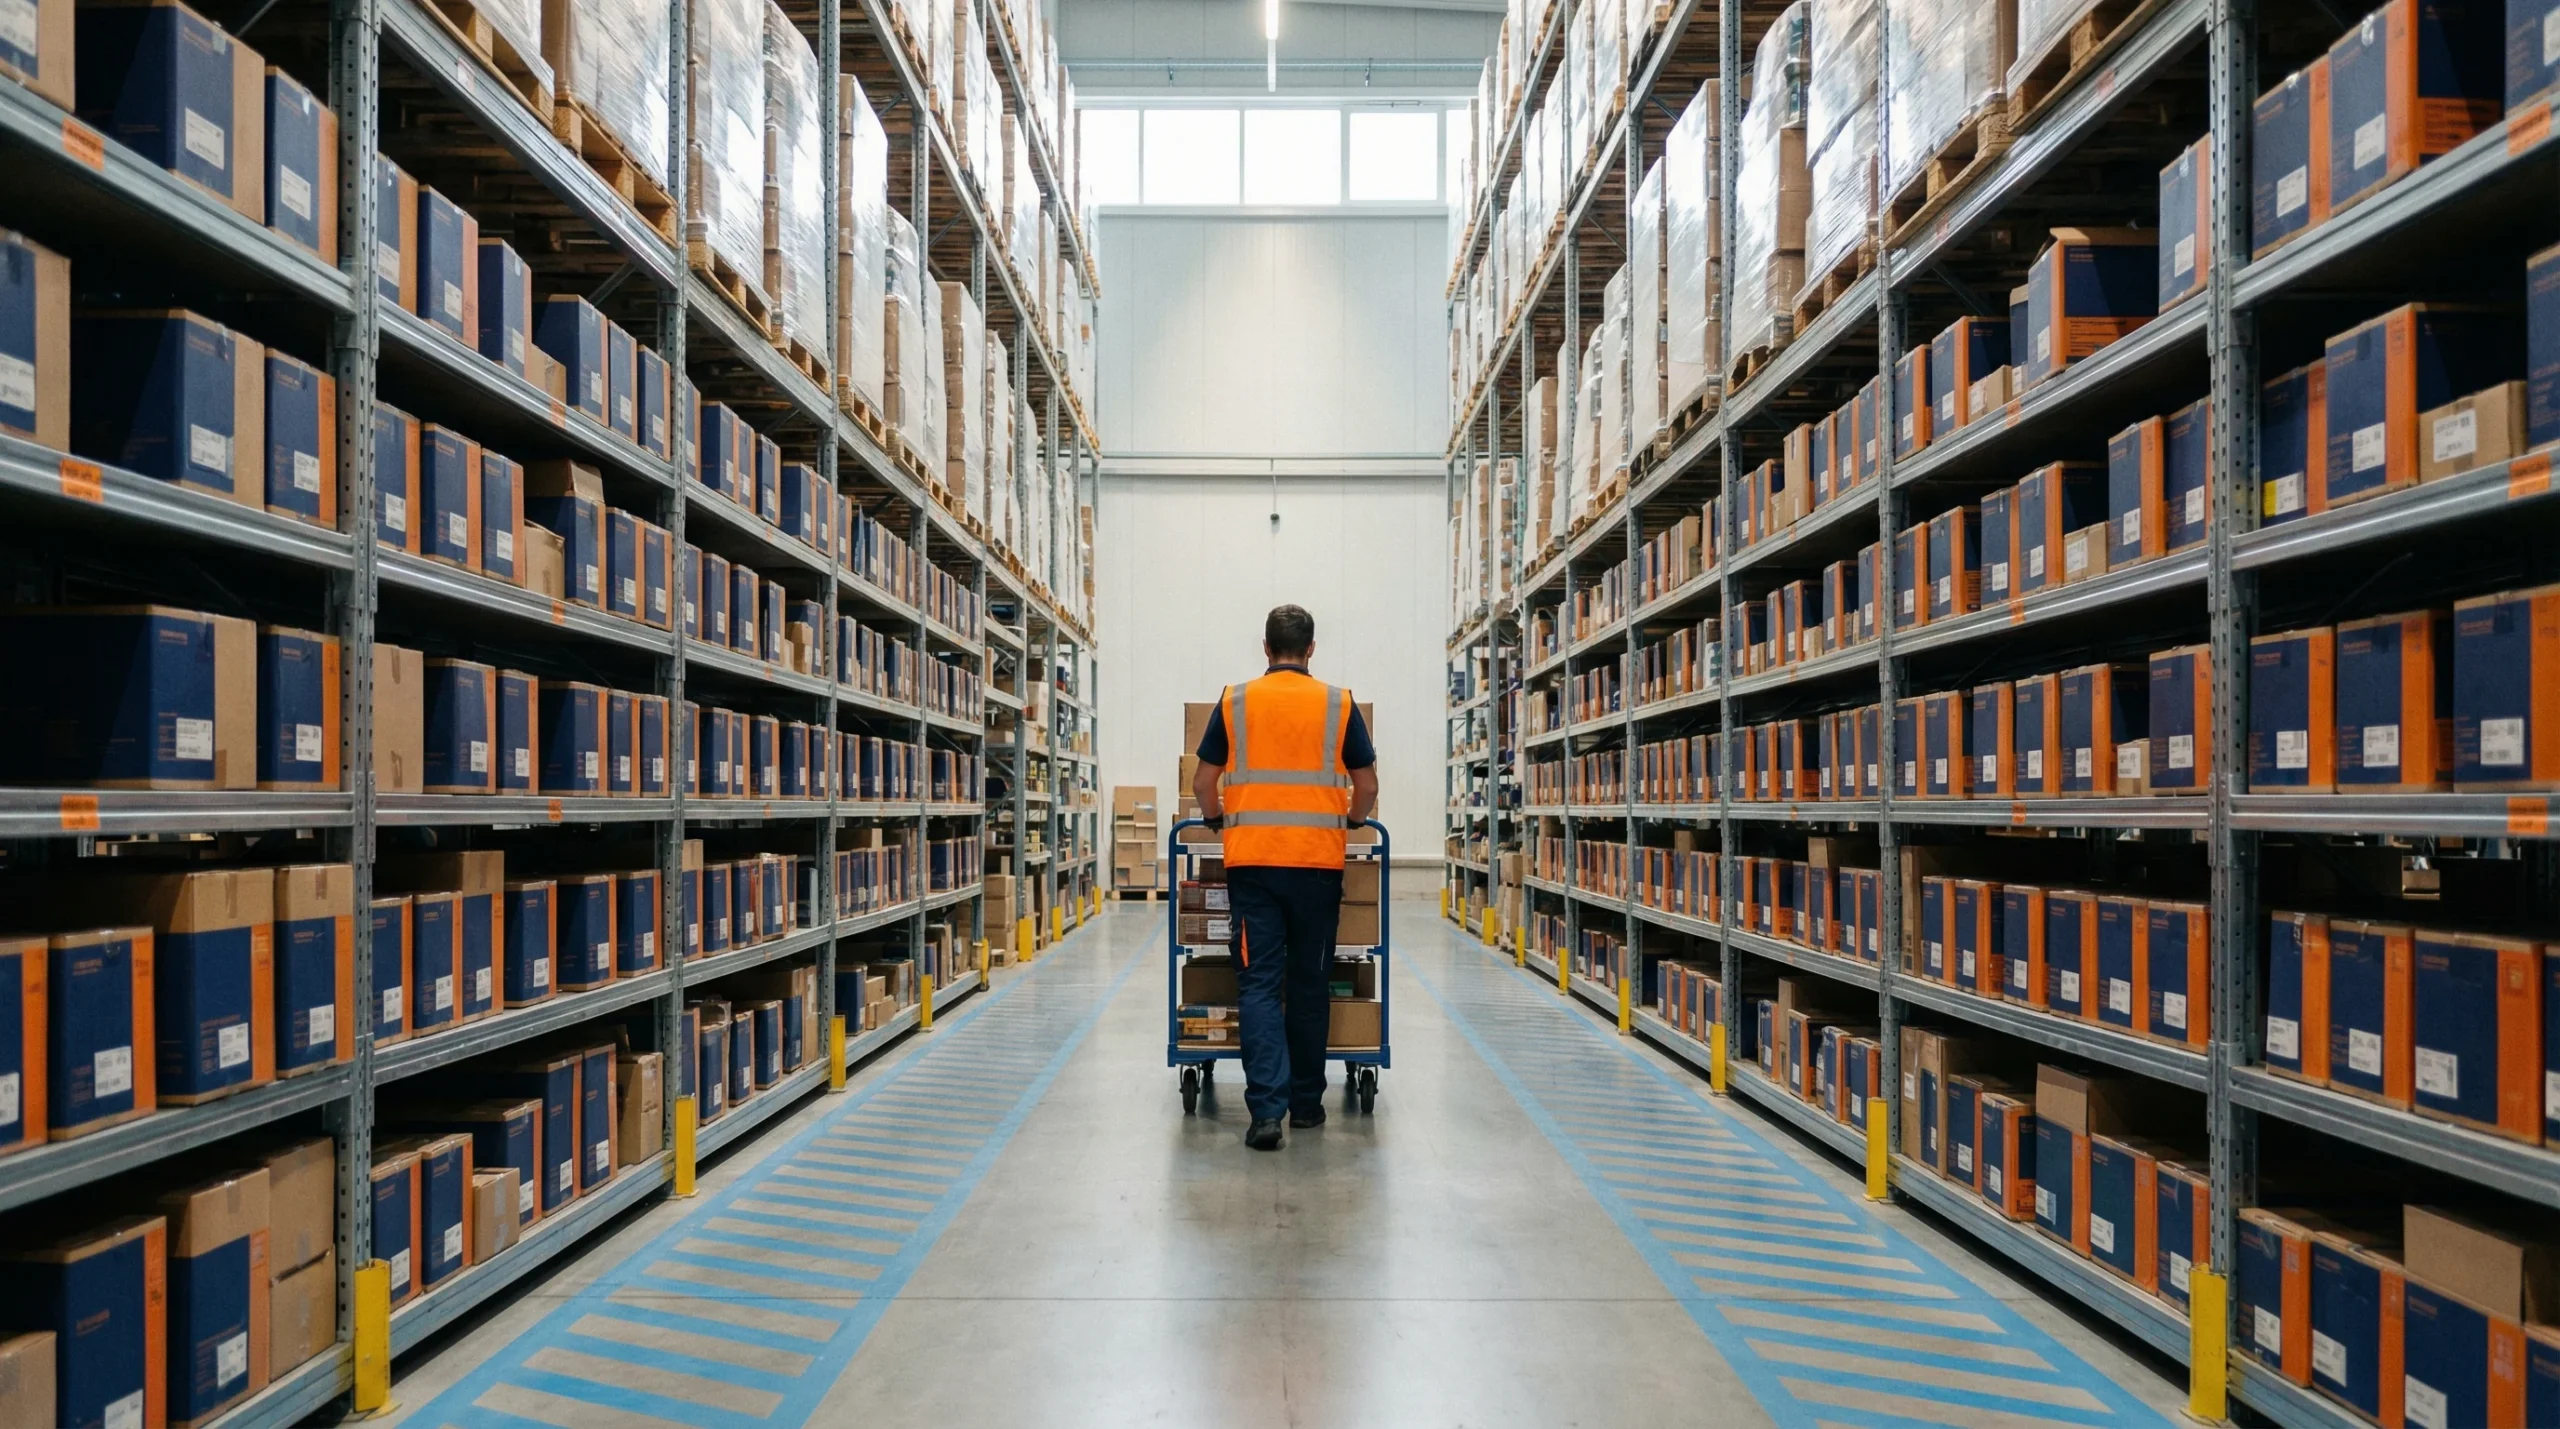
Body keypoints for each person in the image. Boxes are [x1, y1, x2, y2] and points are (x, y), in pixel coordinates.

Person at [1191, 604, 1379, 1150]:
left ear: (1266, 648)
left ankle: (1266, 1114)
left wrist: (1214, 817)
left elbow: (1204, 782)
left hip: (1253, 867)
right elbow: (1366, 786)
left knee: (1258, 985)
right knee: (1309, 984)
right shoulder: (1338, 703)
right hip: (1317, 867)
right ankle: (1306, 1107)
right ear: (1311, 649)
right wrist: (1353, 820)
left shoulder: (1235, 700)